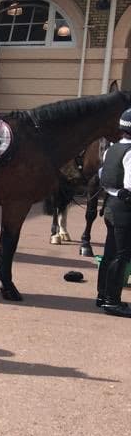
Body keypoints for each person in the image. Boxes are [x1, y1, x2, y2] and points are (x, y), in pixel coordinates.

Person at [96, 108, 131, 317]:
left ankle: (102, 296)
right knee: (122, 255)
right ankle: (112, 300)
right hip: (125, 208)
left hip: (110, 205)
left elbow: (103, 174)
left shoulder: (112, 148)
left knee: (110, 253)